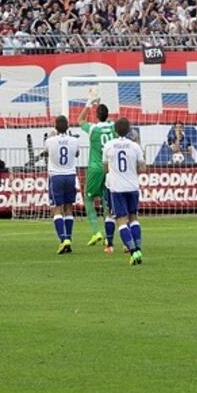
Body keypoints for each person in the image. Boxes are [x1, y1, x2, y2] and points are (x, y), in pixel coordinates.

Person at [102, 117, 146, 266]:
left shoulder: (109, 146)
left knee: (121, 219)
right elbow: (142, 169)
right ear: (129, 130)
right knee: (133, 218)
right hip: (132, 186)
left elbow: (105, 169)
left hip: (117, 188)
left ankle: (133, 251)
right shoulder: (135, 147)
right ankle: (138, 249)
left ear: (115, 130)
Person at [78, 95, 116, 252]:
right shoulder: (113, 127)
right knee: (107, 201)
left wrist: (89, 103)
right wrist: (100, 104)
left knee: (88, 198)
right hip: (109, 169)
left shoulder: (93, 129)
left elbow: (80, 120)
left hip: (95, 168)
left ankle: (96, 232)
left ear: (96, 115)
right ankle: (108, 236)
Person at [42, 115, 80, 254]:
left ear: (55, 126)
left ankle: (63, 239)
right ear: (68, 126)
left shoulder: (50, 141)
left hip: (56, 176)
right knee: (69, 208)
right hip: (70, 175)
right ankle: (68, 238)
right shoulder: (74, 140)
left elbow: (45, 153)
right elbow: (76, 154)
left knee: (57, 209)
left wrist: (52, 136)